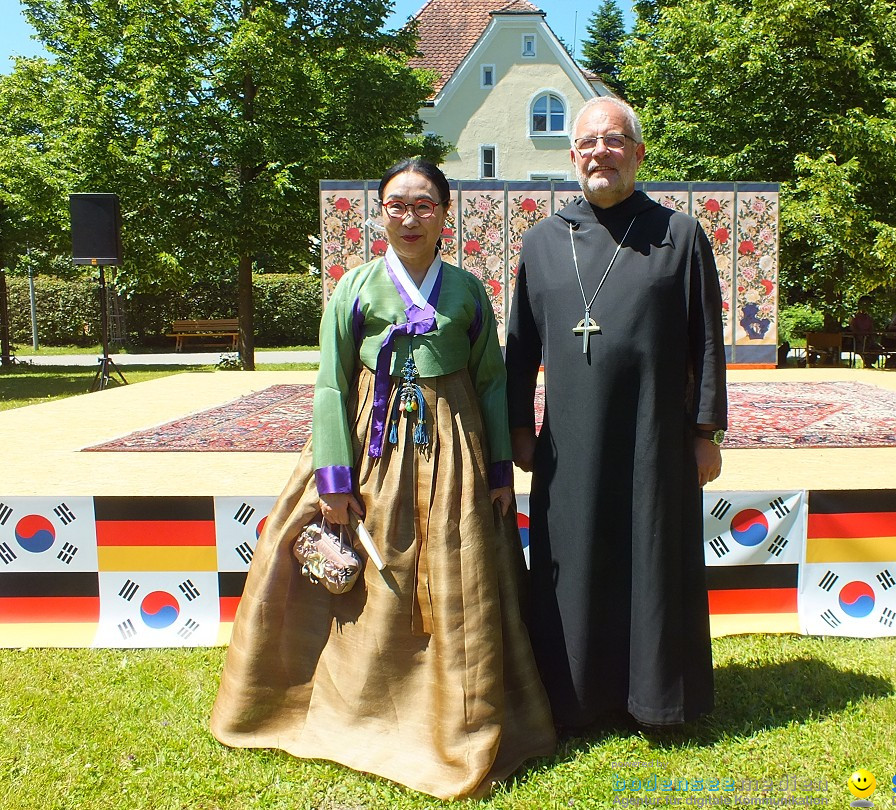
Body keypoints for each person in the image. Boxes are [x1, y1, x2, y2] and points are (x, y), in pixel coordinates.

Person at [210, 159, 555, 800]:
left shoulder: (468, 291)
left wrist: (499, 469)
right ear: (380, 214)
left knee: (460, 574)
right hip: (373, 448)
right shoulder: (356, 287)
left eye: (423, 205)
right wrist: (334, 482)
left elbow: (490, 380)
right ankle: (356, 710)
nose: (409, 216)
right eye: (396, 205)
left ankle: (459, 714)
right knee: (376, 579)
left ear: (446, 215)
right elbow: (332, 382)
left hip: (452, 446)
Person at [504, 97, 728, 732]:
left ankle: (657, 697)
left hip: (655, 435)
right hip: (569, 442)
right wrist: (520, 425)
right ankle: (574, 697)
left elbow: (705, 338)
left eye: (614, 140)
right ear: (572, 156)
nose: (600, 152)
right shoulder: (542, 241)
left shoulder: (679, 235)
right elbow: (520, 345)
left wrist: (705, 430)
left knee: (652, 554)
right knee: (572, 561)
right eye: (588, 143)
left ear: (638, 153)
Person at [847, 295, 880, 367]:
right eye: (865, 304)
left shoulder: (869, 317)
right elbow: (853, 328)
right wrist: (860, 336)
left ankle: (869, 363)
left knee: (877, 348)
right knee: (863, 347)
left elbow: (871, 328)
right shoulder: (854, 316)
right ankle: (867, 362)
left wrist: (871, 336)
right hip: (857, 340)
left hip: (868, 339)